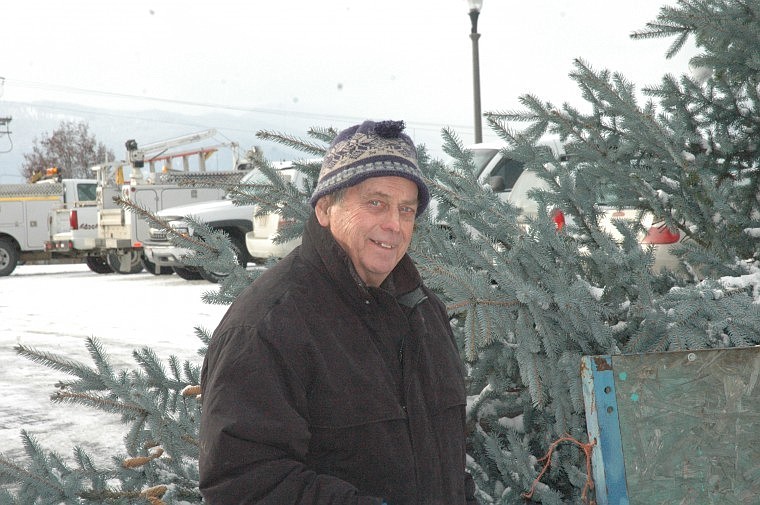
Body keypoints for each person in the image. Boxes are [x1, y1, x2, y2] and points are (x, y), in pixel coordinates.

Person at [199, 119, 476, 504]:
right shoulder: (269, 326)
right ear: (326, 208)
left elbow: (444, 462)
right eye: (375, 203)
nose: (394, 224)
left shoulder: (425, 312)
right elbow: (245, 483)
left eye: (407, 209)